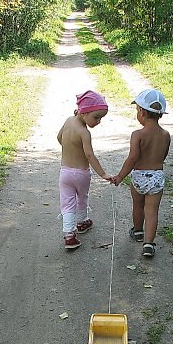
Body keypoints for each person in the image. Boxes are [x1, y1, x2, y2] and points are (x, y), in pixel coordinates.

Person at [112, 89, 171, 257]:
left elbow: (132, 159)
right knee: (152, 210)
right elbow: (163, 156)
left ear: (142, 112)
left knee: (138, 205)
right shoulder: (165, 135)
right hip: (156, 177)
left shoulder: (137, 135)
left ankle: (138, 231)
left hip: (139, 176)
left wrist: (120, 176)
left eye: (137, 110)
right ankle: (148, 244)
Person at [57, 90, 113, 249]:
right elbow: (89, 155)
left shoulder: (68, 121)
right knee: (82, 198)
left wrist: (70, 148)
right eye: (96, 117)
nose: (99, 121)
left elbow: (59, 137)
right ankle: (82, 222)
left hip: (65, 172)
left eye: (101, 118)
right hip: (81, 173)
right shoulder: (84, 133)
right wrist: (103, 174)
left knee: (67, 203)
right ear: (84, 112)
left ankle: (69, 235)